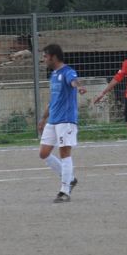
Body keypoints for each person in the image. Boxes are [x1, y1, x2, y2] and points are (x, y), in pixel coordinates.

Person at [38, 43, 85, 202]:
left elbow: (74, 81)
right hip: (53, 120)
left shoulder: (67, 72)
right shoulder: (53, 75)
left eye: (45, 56)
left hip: (66, 120)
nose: (44, 59)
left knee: (64, 153)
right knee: (43, 153)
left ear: (54, 57)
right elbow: (53, 100)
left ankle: (65, 191)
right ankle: (70, 178)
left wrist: (79, 87)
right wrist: (44, 118)